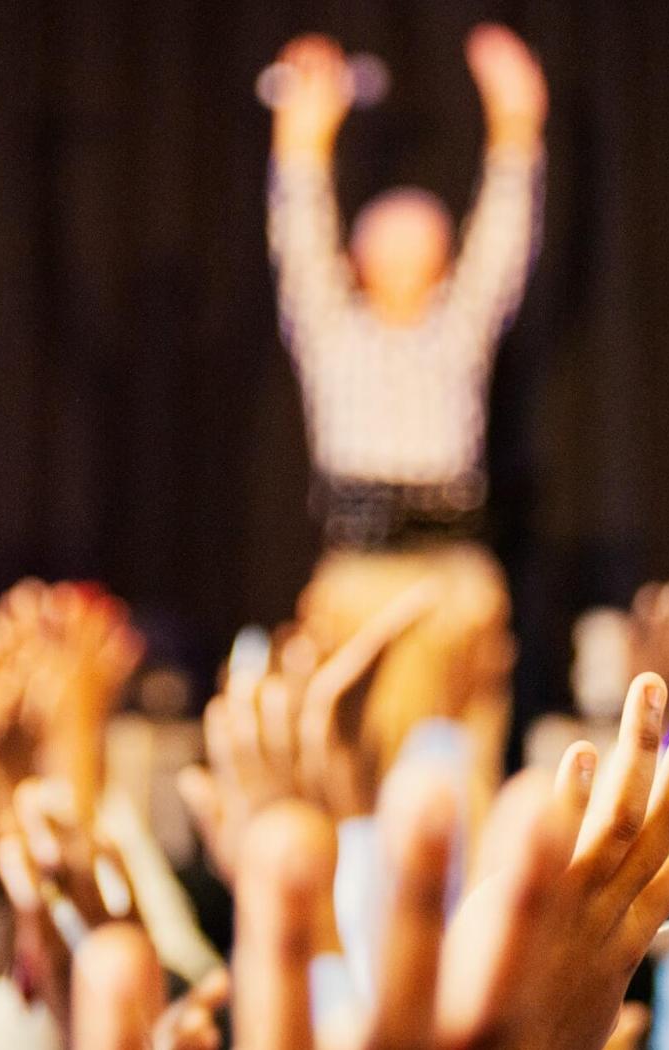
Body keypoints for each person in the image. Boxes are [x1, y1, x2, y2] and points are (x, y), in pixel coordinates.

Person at [264, 21, 546, 820]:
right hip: (359, 573)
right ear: (359, 260)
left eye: (425, 237)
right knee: (355, 775)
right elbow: (300, 237)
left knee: (457, 785)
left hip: (452, 576)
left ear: (444, 257)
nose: (406, 248)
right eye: (386, 239)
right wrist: (302, 139)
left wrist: (517, 125)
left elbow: (504, 242)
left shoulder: (457, 331)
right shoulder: (334, 331)